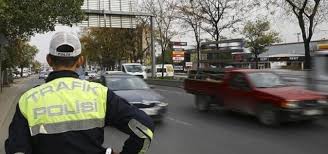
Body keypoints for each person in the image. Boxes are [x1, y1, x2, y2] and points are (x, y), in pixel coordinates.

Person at [5, 32, 154, 154]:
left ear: (49, 60)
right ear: (80, 61)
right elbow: (144, 128)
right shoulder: (99, 94)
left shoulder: (28, 100)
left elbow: (17, 149)